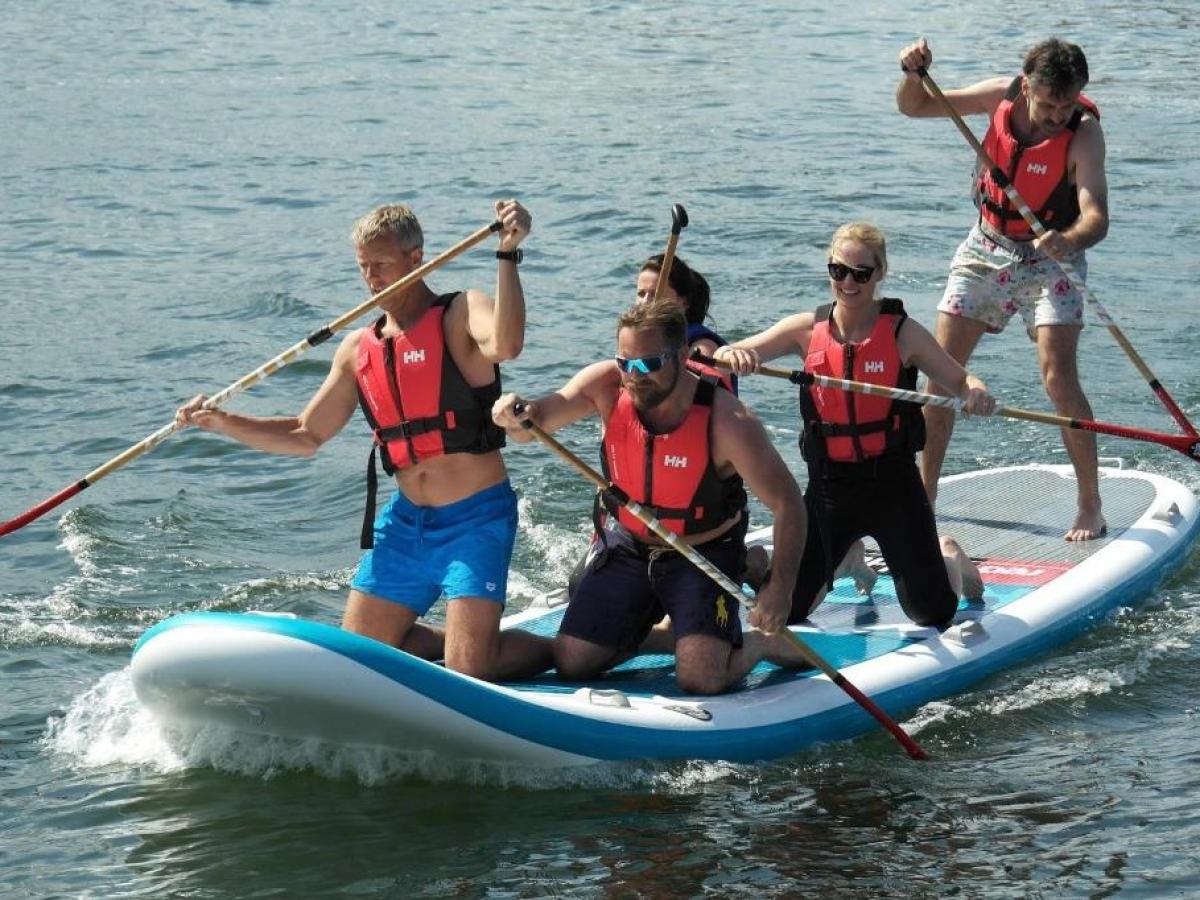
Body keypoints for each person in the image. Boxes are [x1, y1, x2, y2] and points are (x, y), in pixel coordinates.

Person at [175, 200, 553, 680]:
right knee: (358, 660)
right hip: (407, 526)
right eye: (363, 267)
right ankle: (459, 639)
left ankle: (555, 651)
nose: (371, 279)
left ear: (416, 259)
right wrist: (222, 421)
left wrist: (507, 254)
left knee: (472, 670)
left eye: (381, 265)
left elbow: (507, 344)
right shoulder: (358, 348)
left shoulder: (460, 312)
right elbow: (305, 434)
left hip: (475, 520)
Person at [492, 299, 811, 695]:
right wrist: (516, 413)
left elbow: (788, 504)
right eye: (625, 362)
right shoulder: (607, 387)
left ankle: (759, 644)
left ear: (682, 355)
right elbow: (535, 421)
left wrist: (780, 589)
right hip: (630, 547)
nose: (633, 376)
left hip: (702, 552)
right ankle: (676, 634)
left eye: (648, 364)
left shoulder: (730, 422)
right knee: (573, 663)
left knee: (701, 679)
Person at [716, 223, 992, 628]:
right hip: (830, 487)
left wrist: (975, 392)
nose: (848, 282)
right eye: (839, 271)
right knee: (790, 610)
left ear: (880, 274)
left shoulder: (903, 334)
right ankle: (846, 559)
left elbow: (961, 379)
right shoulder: (805, 330)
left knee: (932, 612)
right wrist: (733, 355)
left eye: (861, 273)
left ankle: (948, 554)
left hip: (893, 485)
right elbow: (726, 354)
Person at [896, 37, 1109, 541]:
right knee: (940, 376)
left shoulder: (1084, 133)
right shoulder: (998, 96)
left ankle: (1090, 505)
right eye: (1049, 104)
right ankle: (924, 500)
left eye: (1066, 105)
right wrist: (911, 74)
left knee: (1058, 378)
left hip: (1052, 257)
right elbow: (915, 106)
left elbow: (1096, 216)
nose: (1057, 115)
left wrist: (1069, 238)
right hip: (987, 247)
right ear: (1027, 85)